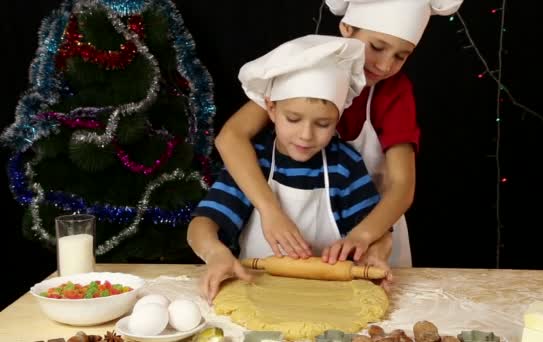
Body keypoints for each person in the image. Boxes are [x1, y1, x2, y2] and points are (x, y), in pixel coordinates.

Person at [213, 0, 464, 268]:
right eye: (377, 47)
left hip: (375, 228)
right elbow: (230, 137)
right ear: (346, 28)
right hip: (296, 226)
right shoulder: (308, 66)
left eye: (401, 56)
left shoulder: (394, 92)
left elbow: (402, 187)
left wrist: (365, 236)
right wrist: (269, 209)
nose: (384, 65)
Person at [188, 34, 393, 302]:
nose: (306, 135)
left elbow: (380, 233)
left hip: (330, 298)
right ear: (271, 109)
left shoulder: (345, 166)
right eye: (293, 119)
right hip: (255, 291)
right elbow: (201, 225)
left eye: (323, 124)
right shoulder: (256, 163)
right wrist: (215, 254)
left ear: (338, 118)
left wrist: (375, 253)